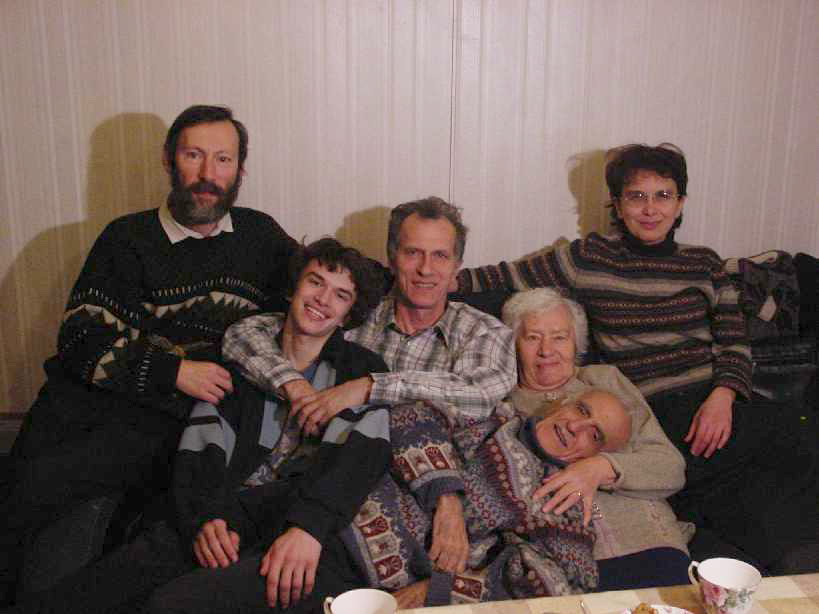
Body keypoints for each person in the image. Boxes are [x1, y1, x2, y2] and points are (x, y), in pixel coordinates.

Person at [456, 144, 819, 572]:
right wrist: (421, 279)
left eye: (663, 195)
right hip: (653, 413)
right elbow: (496, 277)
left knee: (795, 434)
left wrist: (723, 395)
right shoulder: (589, 258)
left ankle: (787, 567)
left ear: (680, 203)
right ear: (617, 204)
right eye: (636, 196)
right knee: (771, 455)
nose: (650, 209)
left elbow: (734, 340)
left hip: (714, 404)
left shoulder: (703, 263)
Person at [1, 105, 298, 604]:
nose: (208, 174)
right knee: (31, 488)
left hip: (184, 418)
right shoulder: (127, 237)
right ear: (168, 160)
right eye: (194, 155)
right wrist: (173, 370)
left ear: (240, 170)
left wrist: (416, 280)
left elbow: (326, 283)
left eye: (223, 159)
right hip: (101, 402)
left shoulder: (261, 236)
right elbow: (79, 339)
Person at [7, 238, 391, 614]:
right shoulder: (242, 356)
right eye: (315, 282)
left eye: (341, 295)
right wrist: (205, 517)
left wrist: (310, 525)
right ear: (294, 287)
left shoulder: (359, 369)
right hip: (220, 509)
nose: (323, 299)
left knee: (170, 600)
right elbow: (202, 440)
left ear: (349, 315)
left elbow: (360, 458)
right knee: (109, 581)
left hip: (289, 516)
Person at [224, 196, 517, 574]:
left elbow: (480, 396)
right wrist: (294, 385)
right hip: (333, 493)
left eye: (440, 256)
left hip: (430, 504)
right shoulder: (356, 313)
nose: (426, 269)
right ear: (392, 257)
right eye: (413, 253)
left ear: (456, 267)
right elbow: (245, 334)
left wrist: (368, 387)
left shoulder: (484, 332)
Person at [342, 389, 632, 609]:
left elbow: (557, 589)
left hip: (387, 594)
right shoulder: (494, 417)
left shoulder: (562, 502)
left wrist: (438, 590)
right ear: (563, 403)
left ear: (595, 456)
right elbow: (411, 414)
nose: (575, 427)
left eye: (594, 435)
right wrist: (448, 502)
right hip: (338, 521)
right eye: (581, 410)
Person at [500, 288, 691, 590]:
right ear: (513, 344)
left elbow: (670, 467)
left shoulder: (603, 381)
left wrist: (602, 467)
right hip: (569, 560)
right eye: (533, 337)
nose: (546, 350)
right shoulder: (501, 402)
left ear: (576, 344)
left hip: (648, 538)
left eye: (560, 337)